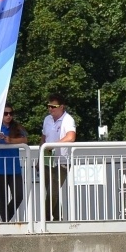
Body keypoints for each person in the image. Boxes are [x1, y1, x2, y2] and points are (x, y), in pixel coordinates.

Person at [41, 94, 77, 223]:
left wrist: (53, 145)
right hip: (47, 160)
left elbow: (71, 137)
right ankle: (57, 219)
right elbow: (44, 138)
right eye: (48, 106)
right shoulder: (47, 120)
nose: (50, 109)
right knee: (51, 193)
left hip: (62, 161)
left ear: (62, 107)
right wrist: (41, 156)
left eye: (53, 106)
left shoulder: (68, 120)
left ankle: (44, 219)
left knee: (53, 191)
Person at [0, 106, 29, 222]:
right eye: (5, 113)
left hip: (14, 168)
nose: (8, 116)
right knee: (2, 197)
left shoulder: (16, 127)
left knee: (19, 195)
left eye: (10, 113)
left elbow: (25, 140)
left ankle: (6, 218)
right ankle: (5, 221)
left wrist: (10, 140)